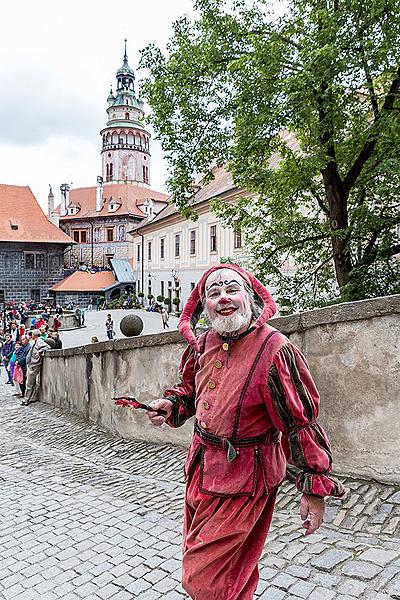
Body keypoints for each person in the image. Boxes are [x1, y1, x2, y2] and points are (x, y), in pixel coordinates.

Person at [147, 264, 346, 600]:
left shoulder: (275, 348)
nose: (223, 298)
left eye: (231, 289)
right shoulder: (205, 342)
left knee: (204, 581)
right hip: (201, 469)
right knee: (234, 571)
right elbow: (192, 391)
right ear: (203, 305)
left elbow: (300, 423)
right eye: (213, 293)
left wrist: (313, 487)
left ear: (250, 298)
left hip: (246, 478)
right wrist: (172, 405)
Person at [22, 329, 50, 406]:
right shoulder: (34, 341)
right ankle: (32, 398)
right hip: (32, 364)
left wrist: (39, 351)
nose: (31, 335)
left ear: (35, 335)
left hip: (34, 364)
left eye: (32, 334)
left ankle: (26, 399)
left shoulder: (39, 341)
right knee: (31, 382)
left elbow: (47, 347)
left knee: (29, 383)